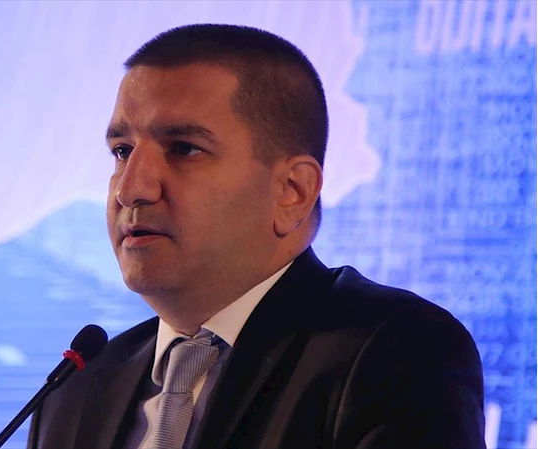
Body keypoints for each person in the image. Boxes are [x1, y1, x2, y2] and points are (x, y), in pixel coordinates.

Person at [28, 24, 485, 449]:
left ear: (292, 192)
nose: (130, 189)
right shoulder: (74, 391)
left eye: (185, 149)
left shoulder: (396, 352)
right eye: (122, 151)